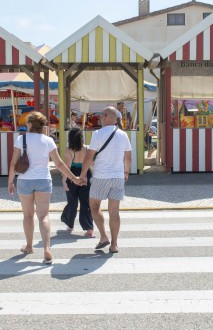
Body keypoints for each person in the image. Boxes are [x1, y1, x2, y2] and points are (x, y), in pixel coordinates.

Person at [7, 111, 83, 265]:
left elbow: (13, 163)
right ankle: (47, 249)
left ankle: (29, 246)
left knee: (28, 215)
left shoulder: (21, 139)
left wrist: (10, 181)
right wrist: (74, 178)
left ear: (29, 124)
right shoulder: (48, 140)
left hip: (25, 180)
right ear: (42, 125)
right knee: (44, 216)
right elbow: (59, 163)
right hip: (43, 180)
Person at [80, 106, 132, 254]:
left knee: (94, 207)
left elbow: (89, 157)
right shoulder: (123, 135)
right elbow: (128, 157)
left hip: (100, 177)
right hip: (117, 177)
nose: (101, 118)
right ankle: (114, 244)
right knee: (114, 211)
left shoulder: (97, 134)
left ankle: (103, 236)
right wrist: (126, 172)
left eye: (102, 116)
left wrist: (83, 174)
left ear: (107, 116)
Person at [60, 128, 94, 238]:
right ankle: (89, 228)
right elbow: (91, 164)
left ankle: (70, 225)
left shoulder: (68, 149)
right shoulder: (87, 148)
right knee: (86, 203)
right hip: (85, 173)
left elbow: (68, 166)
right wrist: (90, 177)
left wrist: (64, 180)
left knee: (72, 201)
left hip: (72, 174)